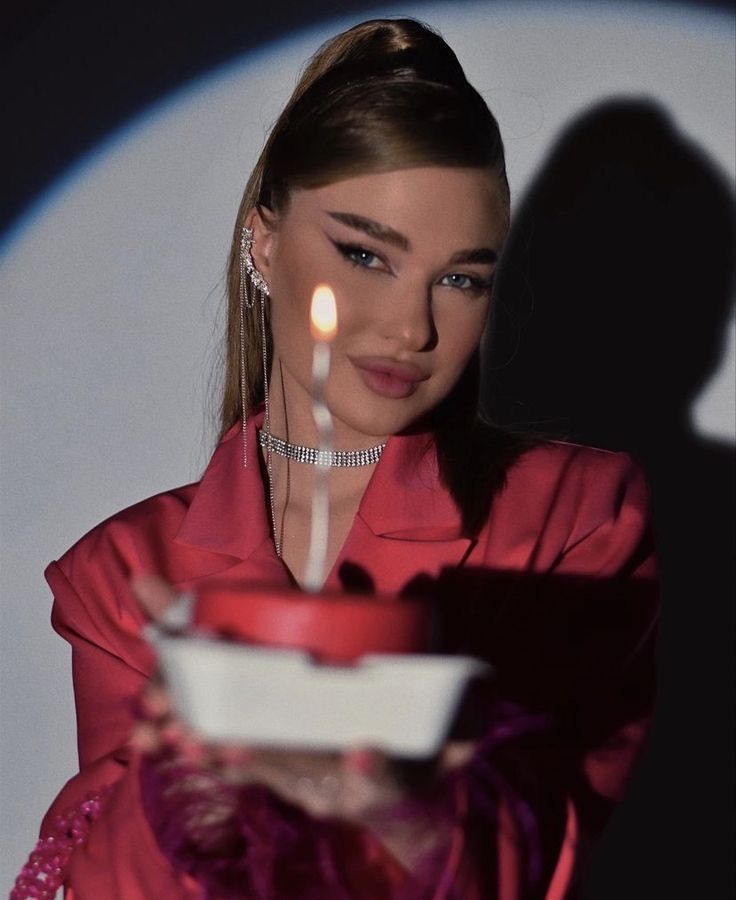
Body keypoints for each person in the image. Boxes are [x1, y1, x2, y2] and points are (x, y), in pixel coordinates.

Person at [13, 17, 658, 900]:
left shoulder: (573, 518)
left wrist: (403, 808)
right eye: (364, 253)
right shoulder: (121, 575)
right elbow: (102, 886)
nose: (413, 328)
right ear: (264, 241)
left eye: (462, 278)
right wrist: (186, 781)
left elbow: (551, 853)